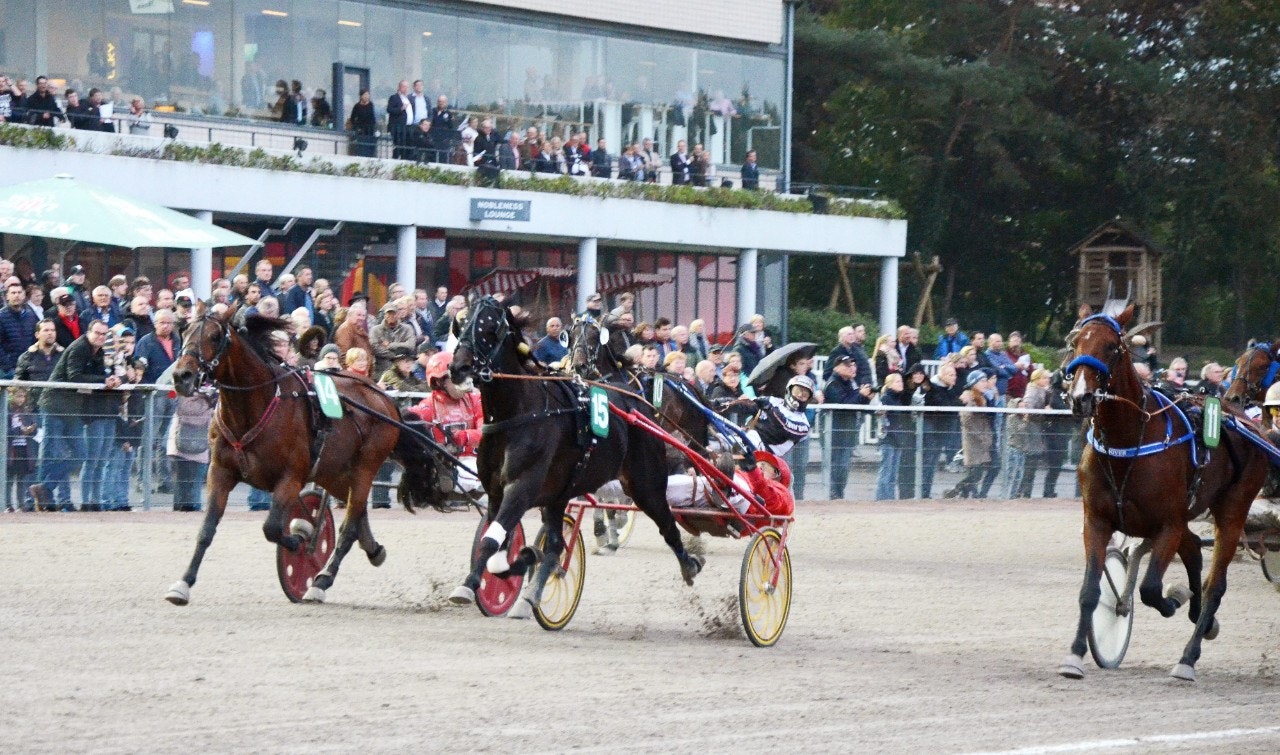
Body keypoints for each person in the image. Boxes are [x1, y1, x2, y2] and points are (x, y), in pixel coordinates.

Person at [406, 352, 485, 498]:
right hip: (444, 462)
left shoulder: (476, 400)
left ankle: (453, 477)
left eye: (465, 376)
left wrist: (462, 436)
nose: (465, 382)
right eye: (456, 378)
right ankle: (443, 476)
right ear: (439, 382)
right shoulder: (427, 407)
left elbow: (485, 433)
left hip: (473, 461)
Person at [824, 355, 874, 499]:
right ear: (836, 368)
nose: (852, 368)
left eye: (853, 364)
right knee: (837, 467)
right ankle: (833, 496)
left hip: (846, 432)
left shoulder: (849, 383)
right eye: (847, 365)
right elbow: (845, 404)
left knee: (843, 469)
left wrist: (865, 397)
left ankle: (839, 496)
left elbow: (856, 404)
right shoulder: (832, 384)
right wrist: (860, 395)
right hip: (835, 433)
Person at [944, 369, 999, 499]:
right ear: (974, 383)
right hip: (974, 440)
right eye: (982, 381)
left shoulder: (984, 396)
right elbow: (967, 419)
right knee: (976, 472)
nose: (985, 383)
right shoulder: (969, 396)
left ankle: (976, 494)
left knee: (992, 467)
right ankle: (964, 493)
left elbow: (991, 416)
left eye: (986, 380)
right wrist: (982, 436)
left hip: (985, 438)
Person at [167, 387, 216, 512]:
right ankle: (184, 511)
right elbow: (186, 409)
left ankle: (190, 511)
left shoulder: (210, 396)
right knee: (182, 482)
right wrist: (206, 398)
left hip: (200, 446)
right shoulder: (186, 392)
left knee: (193, 482)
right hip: (181, 444)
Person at [6, 387, 37, 512]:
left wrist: (31, 430)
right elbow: (5, 431)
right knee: (8, 479)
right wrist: (19, 431)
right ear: (11, 396)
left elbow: (34, 430)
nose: (21, 399)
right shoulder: (6, 411)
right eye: (18, 396)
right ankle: (7, 504)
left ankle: (21, 504)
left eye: (23, 396)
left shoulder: (27, 411)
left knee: (21, 479)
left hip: (24, 449)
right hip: (11, 450)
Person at [0, 282, 38, 378]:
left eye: (19, 292)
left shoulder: (31, 315)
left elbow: (36, 339)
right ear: (7, 296)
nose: (16, 295)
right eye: (13, 293)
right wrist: (7, 367)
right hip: (8, 370)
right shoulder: (1, 316)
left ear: (24, 295)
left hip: (29, 367)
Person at [347, 89, 377, 158]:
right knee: (361, 146)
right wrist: (357, 126)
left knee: (369, 146)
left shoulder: (371, 105)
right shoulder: (357, 106)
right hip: (360, 130)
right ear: (361, 96)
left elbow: (372, 117)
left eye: (368, 95)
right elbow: (352, 118)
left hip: (370, 130)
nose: (367, 97)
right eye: (365, 95)